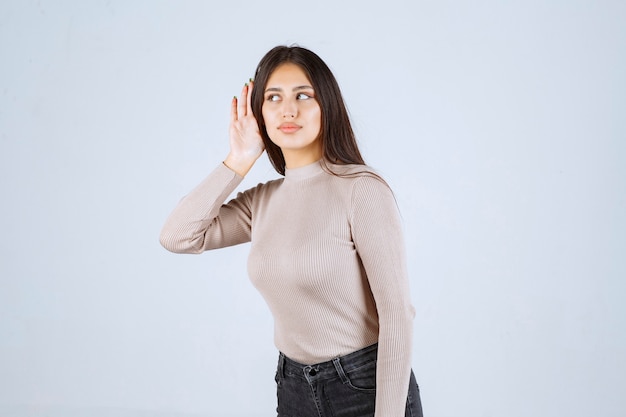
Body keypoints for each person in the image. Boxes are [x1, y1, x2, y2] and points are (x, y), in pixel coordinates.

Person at [160, 45, 423, 417]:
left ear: (326, 106)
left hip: (364, 385)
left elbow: (397, 314)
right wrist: (239, 158)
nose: (288, 109)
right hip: (293, 386)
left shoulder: (361, 189)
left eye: (303, 95)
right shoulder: (261, 202)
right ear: (259, 113)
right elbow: (178, 236)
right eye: (273, 97)